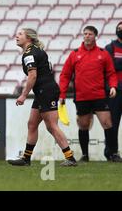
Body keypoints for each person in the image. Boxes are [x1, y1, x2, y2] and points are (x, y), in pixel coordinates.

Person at [8, 28, 78, 167]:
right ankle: (26, 159)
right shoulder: (35, 51)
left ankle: (70, 158)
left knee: (51, 126)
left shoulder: (30, 53)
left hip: (45, 91)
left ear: (29, 38)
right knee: (32, 124)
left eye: (20, 34)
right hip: (43, 91)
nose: (17, 36)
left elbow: (32, 76)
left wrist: (23, 95)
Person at [59, 25, 120, 162]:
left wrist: (113, 86)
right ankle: (85, 155)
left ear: (95, 36)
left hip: (99, 96)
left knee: (107, 123)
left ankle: (113, 154)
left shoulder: (103, 53)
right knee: (83, 125)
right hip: (82, 97)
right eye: (85, 34)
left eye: (90, 34)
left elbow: (111, 73)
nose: (87, 36)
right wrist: (62, 94)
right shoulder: (75, 54)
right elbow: (65, 75)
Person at [104, 21, 122, 159]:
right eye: (119, 29)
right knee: (113, 123)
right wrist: (111, 87)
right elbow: (109, 70)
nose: (120, 30)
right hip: (116, 91)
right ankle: (112, 152)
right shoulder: (110, 48)